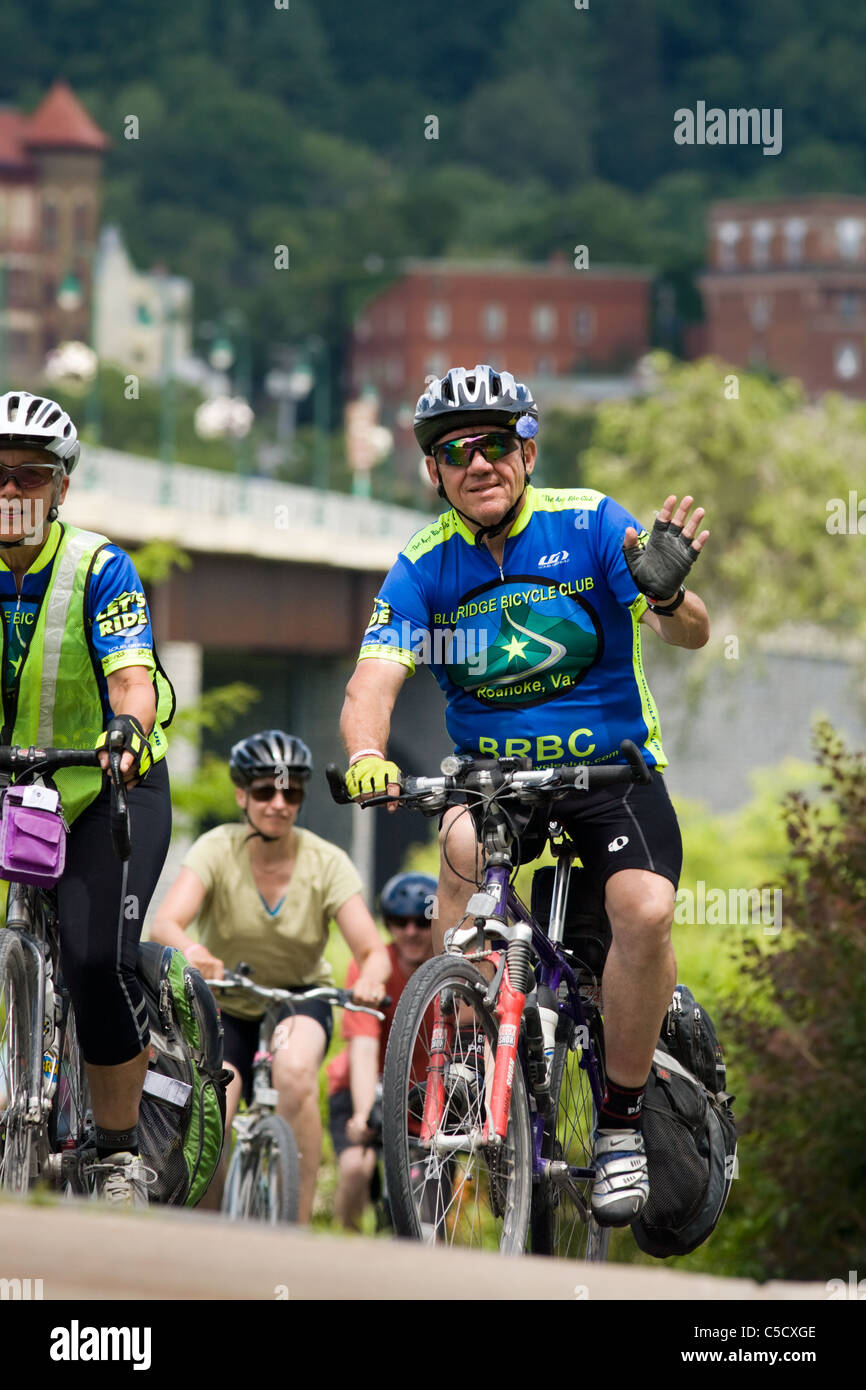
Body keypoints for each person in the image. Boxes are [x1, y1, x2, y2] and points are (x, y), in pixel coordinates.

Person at [338, 363, 711, 1227]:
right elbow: (372, 682)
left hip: (609, 774)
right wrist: (365, 751)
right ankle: (460, 1050)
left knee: (644, 911)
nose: (479, 463)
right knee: (462, 851)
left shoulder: (589, 523)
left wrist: (665, 589)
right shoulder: (425, 566)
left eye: (496, 444)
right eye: (455, 450)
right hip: (496, 784)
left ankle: (619, 1123)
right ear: (434, 472)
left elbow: (691, 632)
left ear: (528, 451)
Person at [0, 390, 175, 1206]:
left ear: (61, 488)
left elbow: (133, 680)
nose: (10, 493)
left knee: (93, 958)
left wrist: (126, 733)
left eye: (29, 476)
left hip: (103, 784)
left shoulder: (99, 567)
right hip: (9, 784)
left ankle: (114, 1152)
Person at [150, 729, 391, 1222]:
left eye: (291, 792)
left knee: (295, 1070)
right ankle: (206, 1236)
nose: (278, 803)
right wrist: (196, 950)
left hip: (299, 998)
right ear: (242, 795)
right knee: (215, 1112)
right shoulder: (216, 849)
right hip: (225, 1003)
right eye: (264, 791)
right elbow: (166, 923)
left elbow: (373, 950)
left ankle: (295, 1225)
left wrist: (370, 978)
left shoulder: (328, 862)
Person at [326, 871, 436, 1230]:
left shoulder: (450, 973)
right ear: (387, 924)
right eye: (399, 922)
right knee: (357, 1167)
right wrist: (361, 1114)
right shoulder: (372, 969)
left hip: (425, 1096)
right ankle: (347, 1245)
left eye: (422, 921)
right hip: (361, 1088)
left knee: (432, 1196)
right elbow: (362, 1046)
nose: (411, 931)